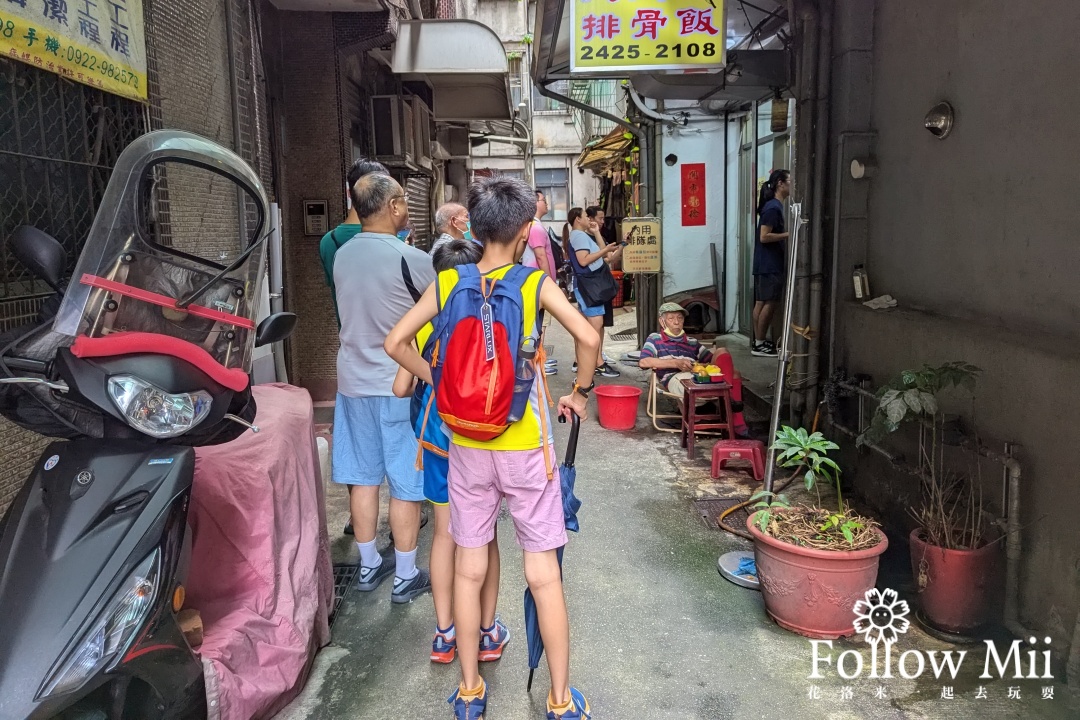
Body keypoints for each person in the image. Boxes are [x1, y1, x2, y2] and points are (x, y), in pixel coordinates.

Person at [385, 176, 599, 720]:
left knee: (468, 567)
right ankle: (558, 700)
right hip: (524, 445)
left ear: (476, 230)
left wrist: (435, 376)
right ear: (526, 229)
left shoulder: (448, 281)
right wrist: (578, 392)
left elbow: (395, 343)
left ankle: (471, 692)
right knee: (542, 573)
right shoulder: (533, 284)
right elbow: (590, 339)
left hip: (465, 445)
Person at [391, 238, 507, 665]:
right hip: (478, 439)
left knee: (444, 536)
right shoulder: (489, 313)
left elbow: (401, 387)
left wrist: (436, 379)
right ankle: (487, 632)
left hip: (436, 444)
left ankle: (444, 634)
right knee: (484, 536)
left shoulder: (424, 319)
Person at [333, 165, 435, 604]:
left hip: (351, 381)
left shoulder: (342, 254)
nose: (406, 207)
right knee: (406, 483)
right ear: (393, 206)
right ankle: (406, 574)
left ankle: (369, 565)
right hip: (398, 384)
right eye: (404, 201)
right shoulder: (409, 257)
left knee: (362, 478)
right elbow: (444, 304)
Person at [638, 302, 749, 436]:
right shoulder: (655, 339)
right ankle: (734, 417)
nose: (676, 322)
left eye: (680, 318)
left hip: (698, 376)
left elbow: (712, 361)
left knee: (726, 357)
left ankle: (730, 405)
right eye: (671, 318)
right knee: (694, 380)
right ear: (662, 321)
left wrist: (702, 366)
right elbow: (644, 362)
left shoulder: (691, 342)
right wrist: (675, 363)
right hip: (676, 377)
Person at [319, 158, 387, 326]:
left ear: (349, 193)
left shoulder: (329, 241)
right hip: (393, 343)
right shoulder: (394, 238)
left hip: (350, 341)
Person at [566, 207, 621, 378]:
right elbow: (584, 261)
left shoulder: (579, 235)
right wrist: (604, 251)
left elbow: (604, 252)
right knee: (594, 326)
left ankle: (585, 362)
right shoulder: (579, 236)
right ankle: (598, 364)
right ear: (577, 219)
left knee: (588, 325)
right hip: (590, 286)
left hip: (589, 285)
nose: (588, 220)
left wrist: (596, 232)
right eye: (585, 217)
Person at [753, 169, 791, 358]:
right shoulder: (774, 207)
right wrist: (789, 234)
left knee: (761, 301)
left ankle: (758, 341)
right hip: (770, 264)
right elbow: (764, 236)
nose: (792, 185)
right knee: (769, 302)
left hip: (764, 263)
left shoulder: (772, 206)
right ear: (780, 184)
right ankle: (759, 344)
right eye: (790, 181)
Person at [523, 190, 560, 377]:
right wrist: (549, 283)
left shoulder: (534, 226)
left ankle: (540, 358)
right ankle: (538, 360)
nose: (546, 203)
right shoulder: (535, 227)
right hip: (538, 281)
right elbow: (541, 256)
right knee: (538, 323)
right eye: (543, 200)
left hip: (537, 280)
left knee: (540, 321)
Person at [585, 205, 618, 366]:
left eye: (603, 218)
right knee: (593, 325)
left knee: (602, 323)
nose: (603, 221)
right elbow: (601, 259)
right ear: (590, 219)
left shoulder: (599, 237)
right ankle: (588, 360)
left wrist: (624, 245)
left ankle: (600, 355)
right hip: (593, 287)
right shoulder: (583, 238)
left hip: (603, 286)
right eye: (600, 218)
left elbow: (610, 258)